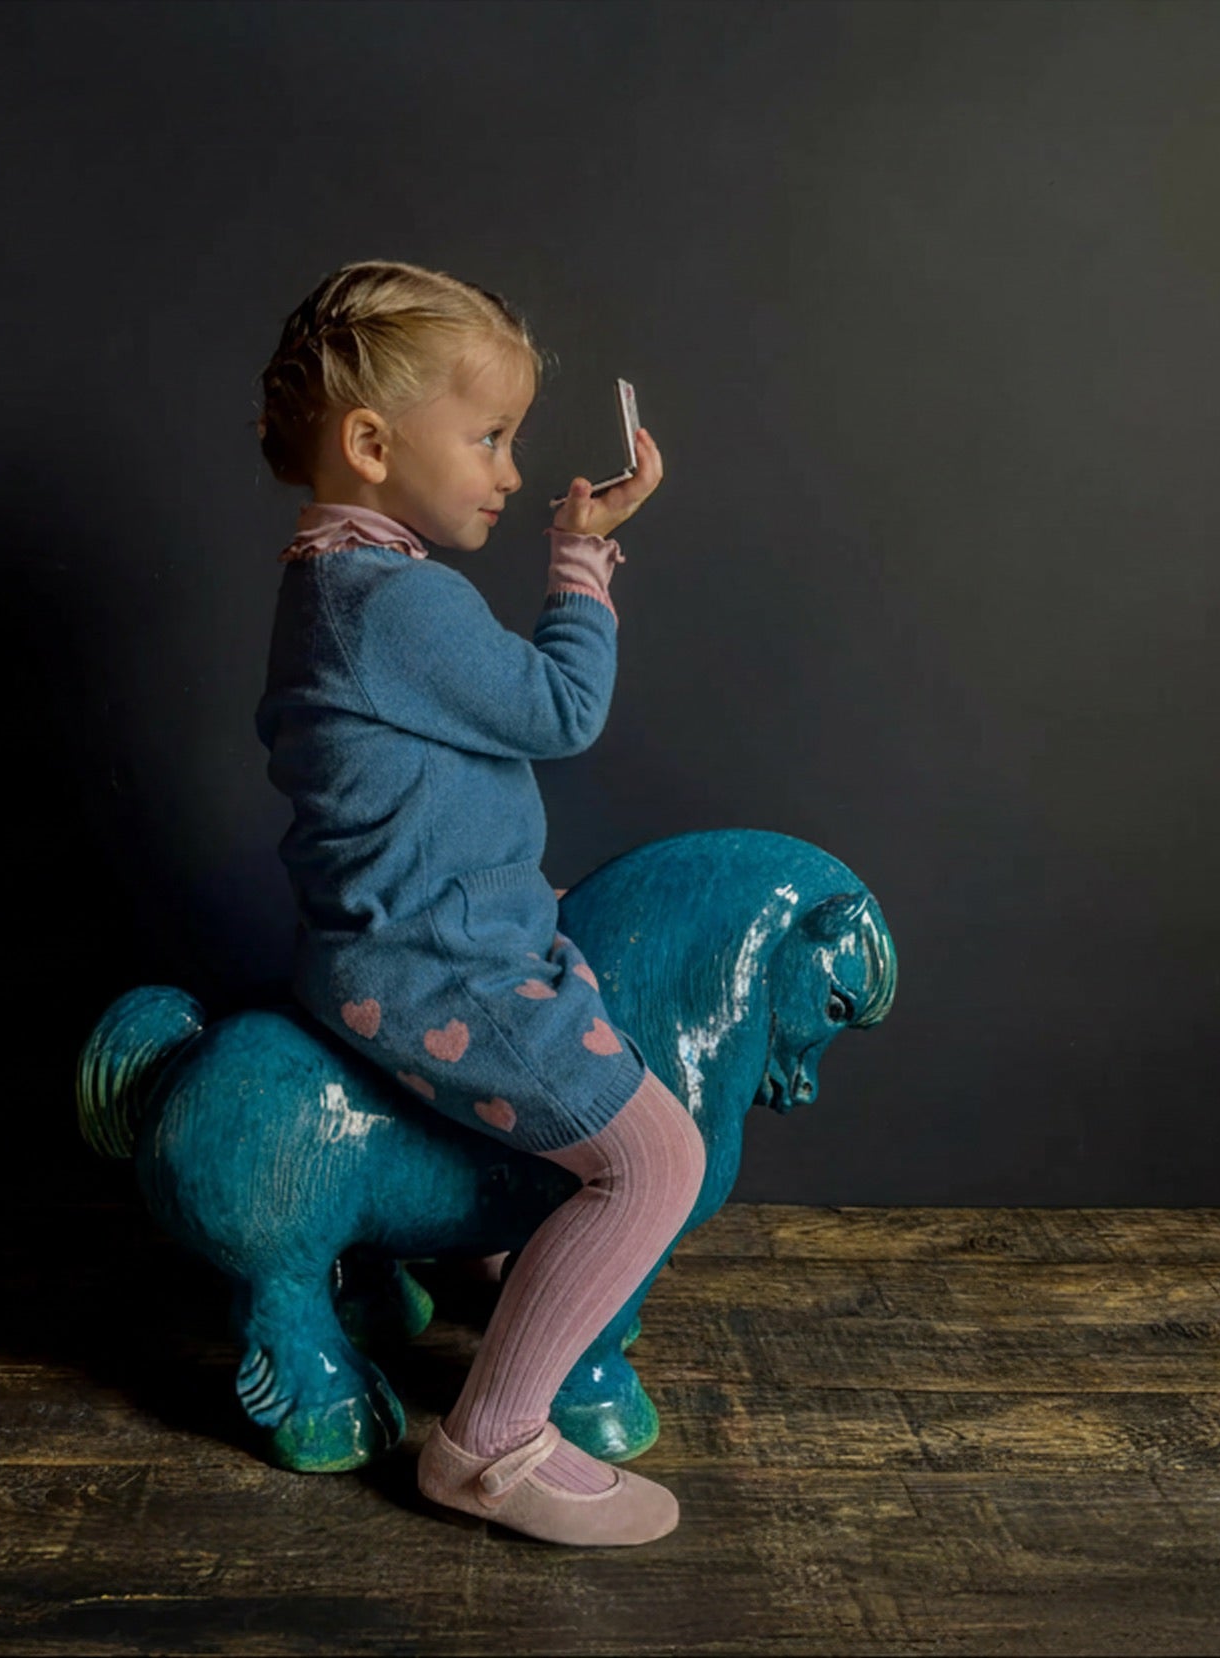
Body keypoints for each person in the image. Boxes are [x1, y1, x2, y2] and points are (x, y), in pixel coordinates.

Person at [250, 259, 702, 1546]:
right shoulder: (395, 598)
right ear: (375, 443)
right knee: (658, 1156)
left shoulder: (330, 580)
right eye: (489, 436)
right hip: (433, 958)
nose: (508, 470)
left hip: (429, 926)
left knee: (597, 1013)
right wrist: (581, 559)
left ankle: (501, 1260)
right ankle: (490, 1442)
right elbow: (563, 710)